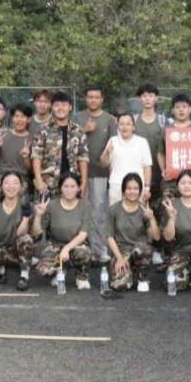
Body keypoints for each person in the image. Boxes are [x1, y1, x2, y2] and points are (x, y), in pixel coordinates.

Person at [76, 86, 117, 265]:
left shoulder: (109, 119)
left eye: (96, 97)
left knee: (99, 212)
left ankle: (99, 250)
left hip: (101, 173)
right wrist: (83, 130)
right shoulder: (77, 118)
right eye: (90, 97)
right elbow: (70, 140)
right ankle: (82, 249)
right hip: (79, 173)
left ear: (102, 99)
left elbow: (114, 145)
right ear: (85, 99)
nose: (93, 100)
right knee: (82, 212)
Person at [30, 172, 93, 290]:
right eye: (66, 186)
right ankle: (61, 270)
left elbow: (83, 235)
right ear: (60, 188)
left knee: (84, 253)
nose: (69, 190)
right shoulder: (51, 205)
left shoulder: (85, 206)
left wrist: (66, 249)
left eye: (73, 186)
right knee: (43, 269)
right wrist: (38, 215)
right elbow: (37, 233)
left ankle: (82, 276)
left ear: (78, 188)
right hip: (56, 246)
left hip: (77, 246)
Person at [106, 173, 160, 292]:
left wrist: (151, 218)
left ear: (140, 191)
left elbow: (156, 237)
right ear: (123, 191)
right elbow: (109, 237)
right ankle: (128, 272)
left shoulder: (144, 210)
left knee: (143, 248)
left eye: (136, 188)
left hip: (138, 251)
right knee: (120, 286)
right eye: (129, 188)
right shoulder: (113, 210)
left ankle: (142, 277)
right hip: (121, 251)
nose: (132, 192)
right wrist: (119, 258)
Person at [31, 92, 89, 198]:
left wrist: (84, 183)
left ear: (70, 107)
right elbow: (36, 156)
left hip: (72, 184)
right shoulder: (43, 129)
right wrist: (39, 181)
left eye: (64, 105)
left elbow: (83, 158)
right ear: (52, 107)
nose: (60, 108)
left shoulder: (78, 130)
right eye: (57, 105)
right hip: (48, 184)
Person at [100, 112, 152, 204]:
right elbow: (104, 163)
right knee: (116, 212)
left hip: (136, 187)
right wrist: (107, 153)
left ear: (133, 127)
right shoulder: (113, 141)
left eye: (128, 124)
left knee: (137, 212)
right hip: (116, 185)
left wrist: (147, 188)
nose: (125, 127)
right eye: (121, 124)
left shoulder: (142, 142)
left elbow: (147, 166)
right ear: (117, 127)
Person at [0, 105, 33, 204]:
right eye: (16, 116)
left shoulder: (32, 138)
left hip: (21, 177)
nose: (19, 120)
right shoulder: (3, 134)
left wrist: (25, 157)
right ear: (12, 118)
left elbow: (29, 168)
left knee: (21, 205)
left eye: (23, 116)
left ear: (29, 119)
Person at [133, 84, 166, 210]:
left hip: (160, 172)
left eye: (151, 96)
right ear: (139, 99)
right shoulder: (133, 121)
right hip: (138, 172)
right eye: (144, 96)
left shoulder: (164, 121)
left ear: (156, 98)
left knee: (159, 208)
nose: (147, 99)